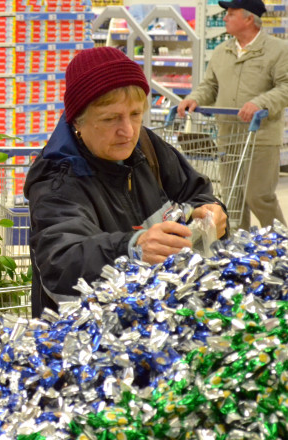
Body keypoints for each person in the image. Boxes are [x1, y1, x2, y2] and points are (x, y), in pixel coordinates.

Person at [24, 46, 228, 317]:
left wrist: (211, 212)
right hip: (88, 340)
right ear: (77, 122)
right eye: (110, 119)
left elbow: (197, 194)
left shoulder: (148, 148)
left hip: (157, 323)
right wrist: (132, 249)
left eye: (135, 114)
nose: (128, 131)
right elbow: (62, 262)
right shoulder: (58, 181)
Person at [178, 0, 288, 230]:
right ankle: (239, 251)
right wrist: (194, 98)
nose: (225, 17)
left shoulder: (278, 50)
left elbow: (285, 87)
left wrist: (260, 102)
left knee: (259, 196)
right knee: (233, 200)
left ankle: (280, 244)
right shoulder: (222, 51)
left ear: (249, 18)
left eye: (231, 13)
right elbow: (210, 86)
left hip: (261, 136)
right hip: (229, 136)